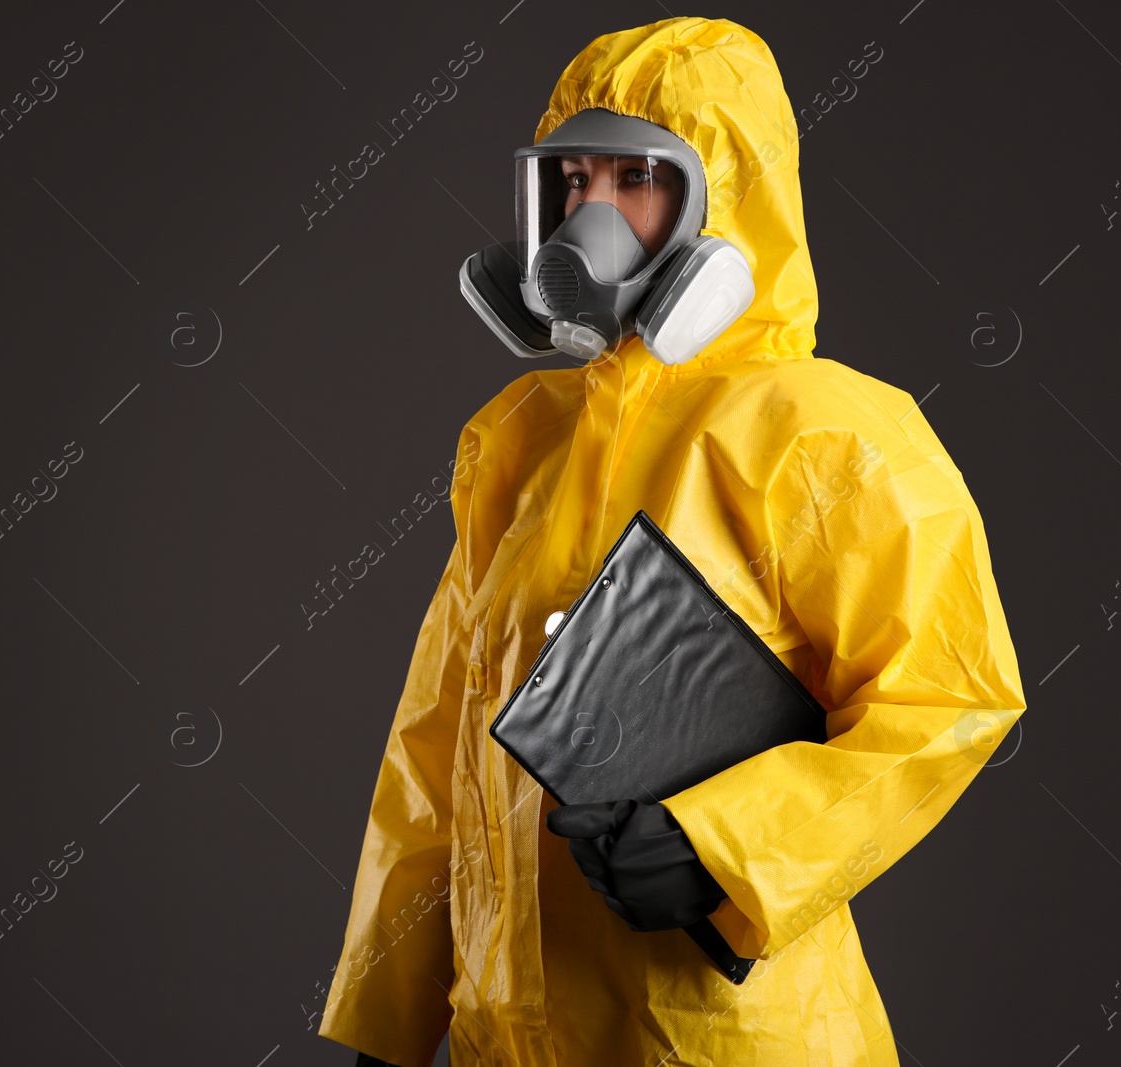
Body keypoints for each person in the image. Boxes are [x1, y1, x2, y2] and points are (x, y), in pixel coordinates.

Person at [319, 17, 1025, 1067]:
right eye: (572, 180)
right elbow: (434, 753)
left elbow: (948, 698)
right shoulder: (519, 440)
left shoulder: (823, 432)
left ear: (722, 196)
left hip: (726, 1041)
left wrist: (725, 846)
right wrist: (386, 1021)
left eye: (637, 179)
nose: (590, 217)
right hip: (502, 1040)